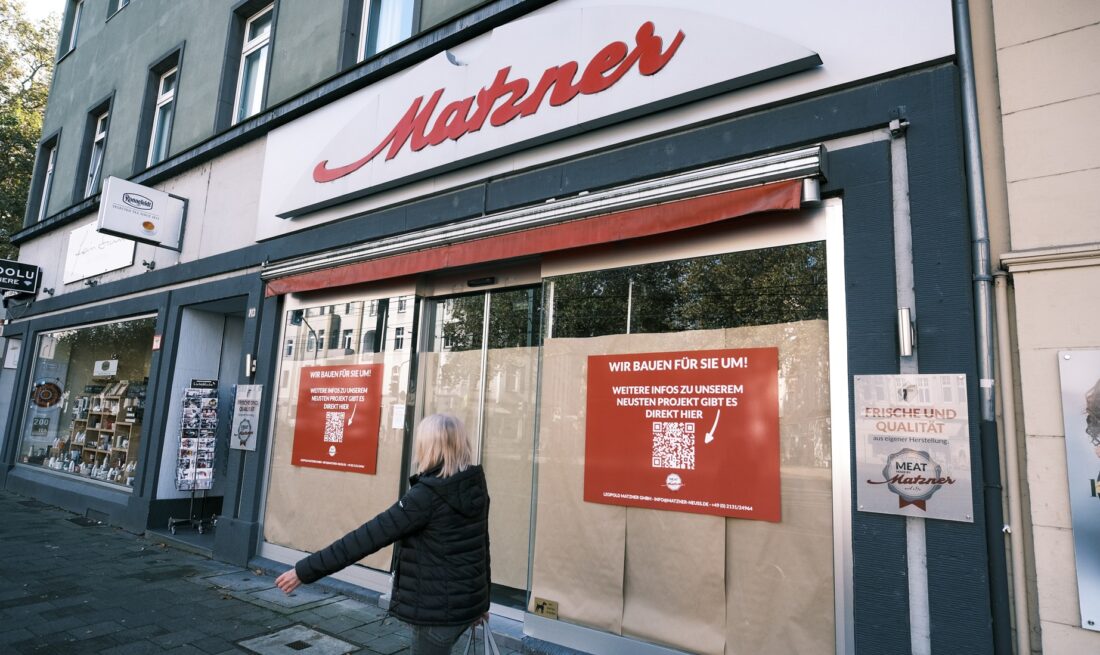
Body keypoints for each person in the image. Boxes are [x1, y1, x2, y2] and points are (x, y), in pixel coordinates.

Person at [275, 414, 491, 654]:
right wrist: (481, 602)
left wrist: (303, 571)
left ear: (429, 447)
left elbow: (364, 539)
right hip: (464, 608)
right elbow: (481, 548)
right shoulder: (472, 486)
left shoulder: (427, 497)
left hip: (436, 615)